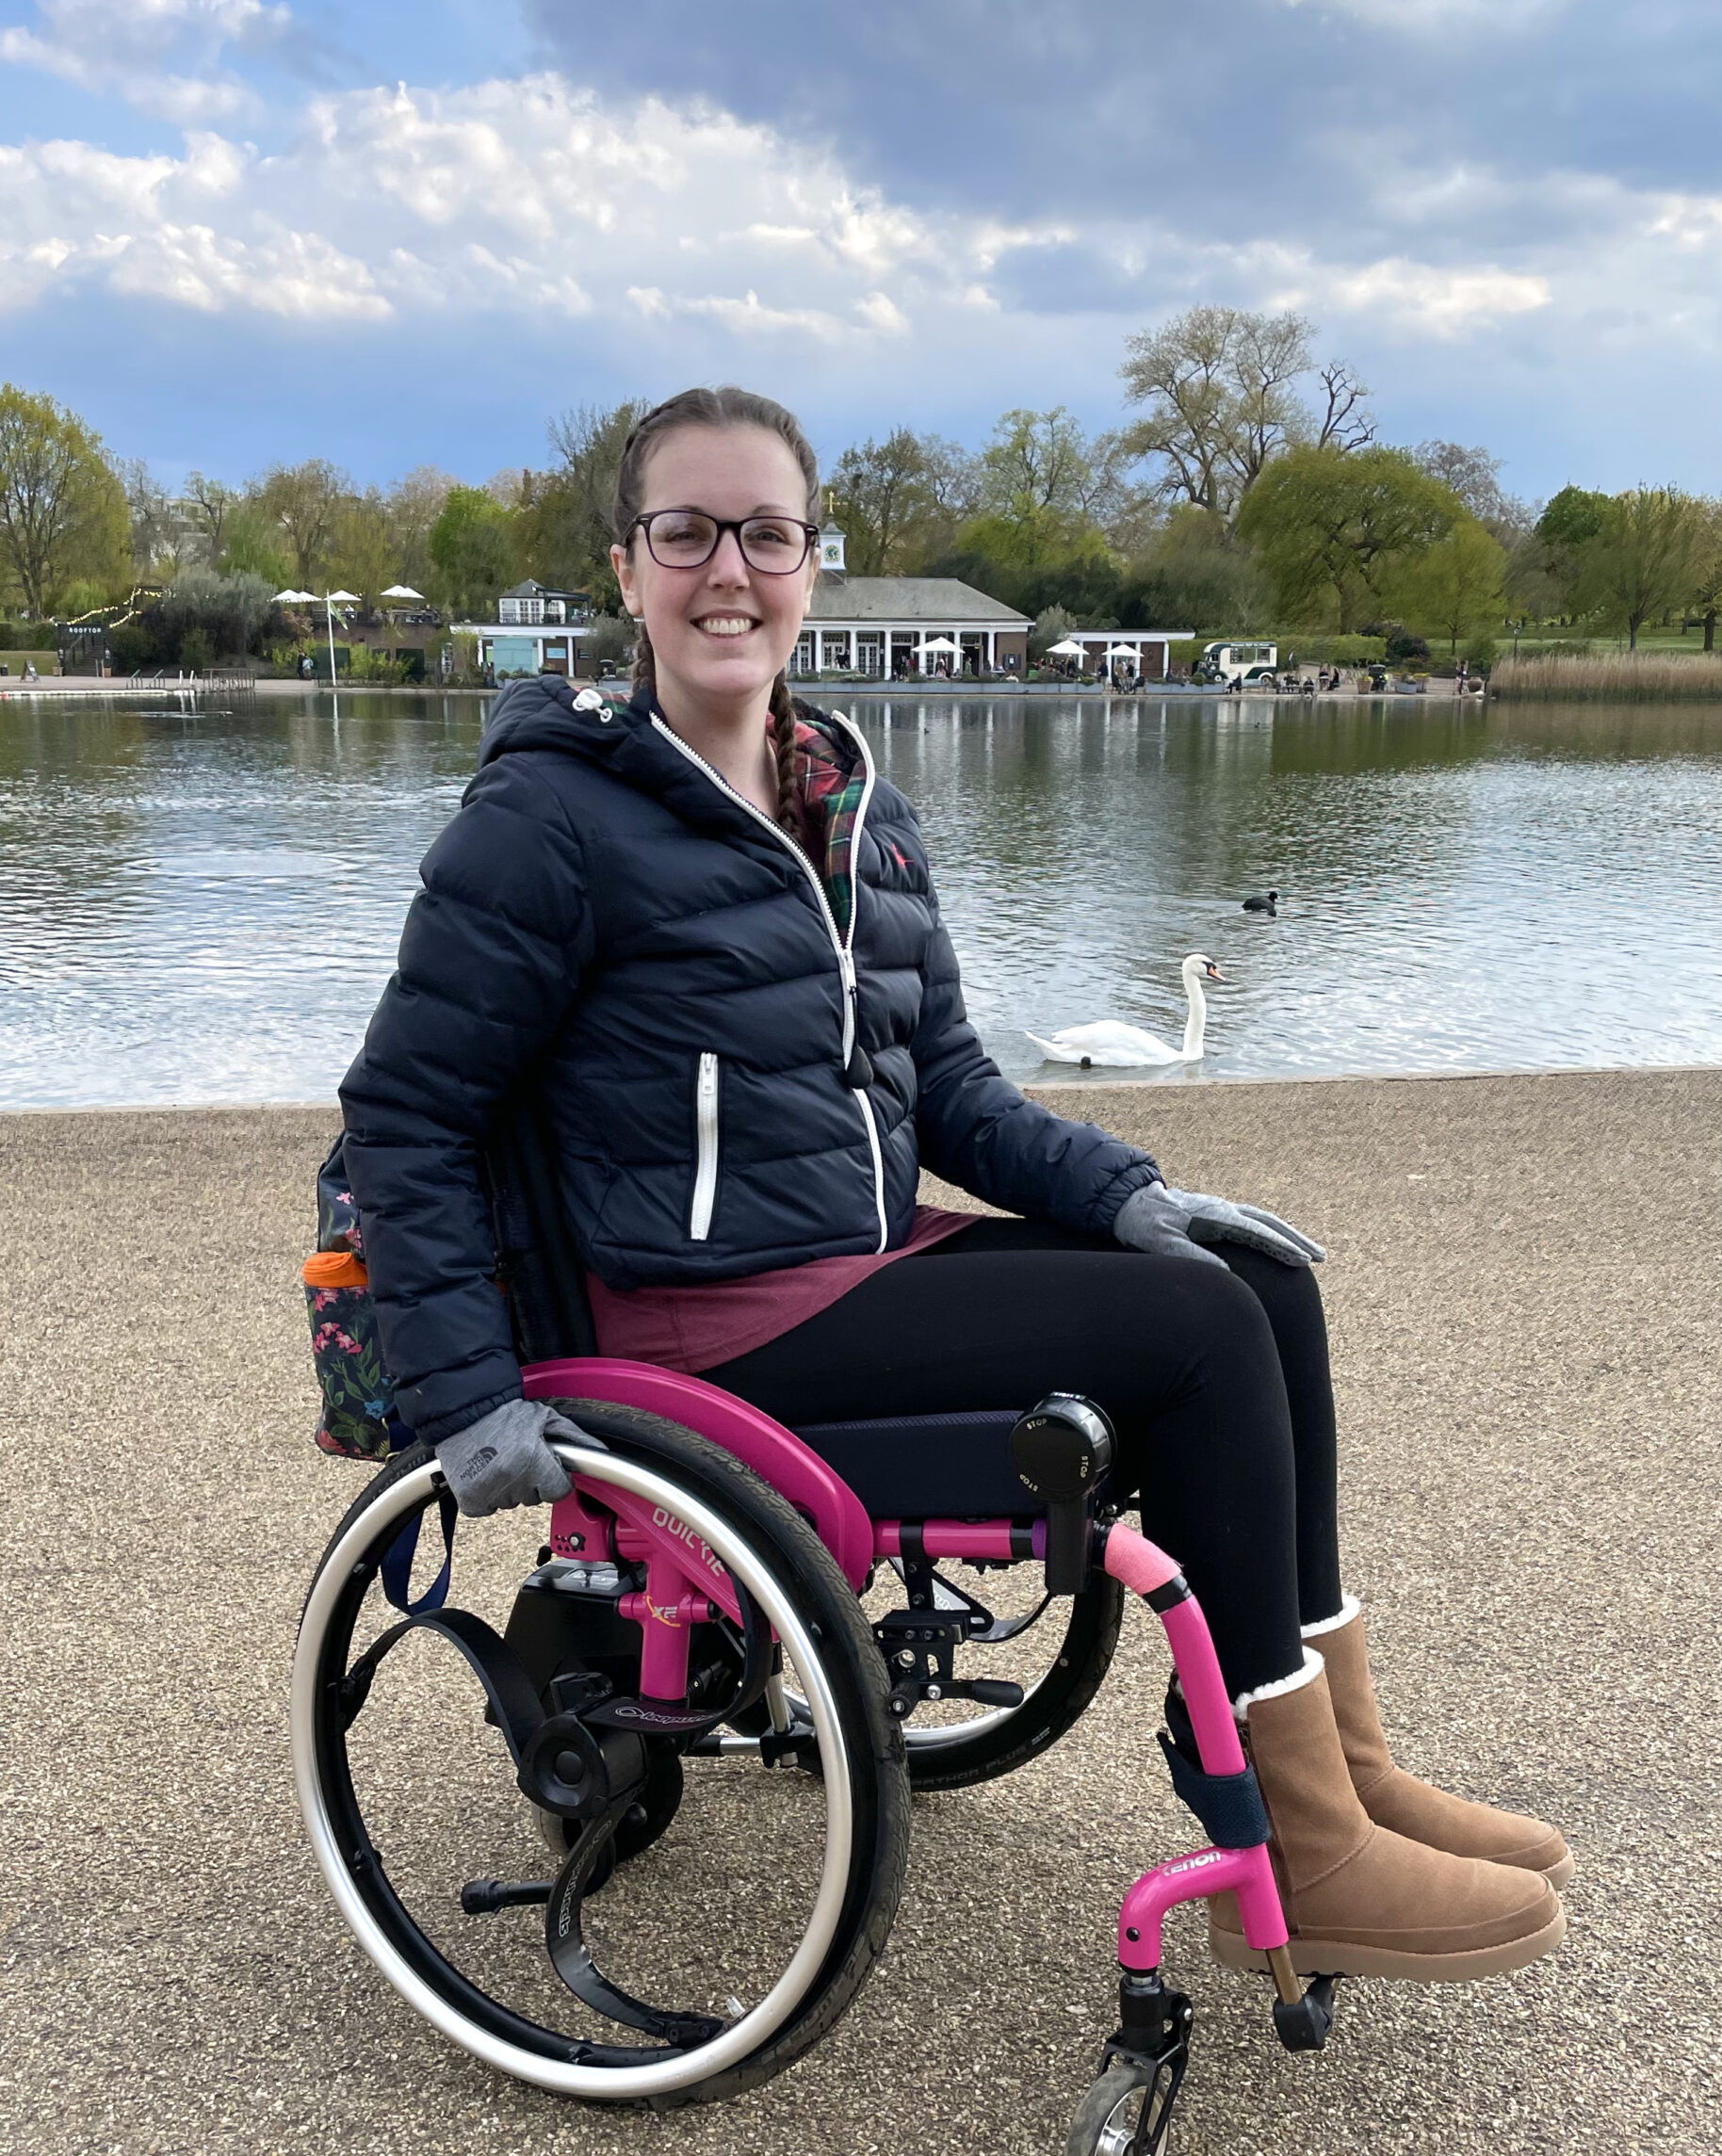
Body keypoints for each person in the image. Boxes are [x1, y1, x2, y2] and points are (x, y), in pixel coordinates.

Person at [340, 384, 1568, 1985]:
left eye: (765, 535)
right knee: (1195, 1342)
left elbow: (958, 1090)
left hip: (856, 1259)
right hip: (702, 1323)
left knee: (1255, 1280)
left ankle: (1345, 1768)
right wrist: (462, 1397)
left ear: (811, 562)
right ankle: (1300, 1845)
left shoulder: (853, 802)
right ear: (627, 567)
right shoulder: (550, 819)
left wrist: (1129, 1193)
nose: (730, 572)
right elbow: (405, 1110)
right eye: (688, 533)